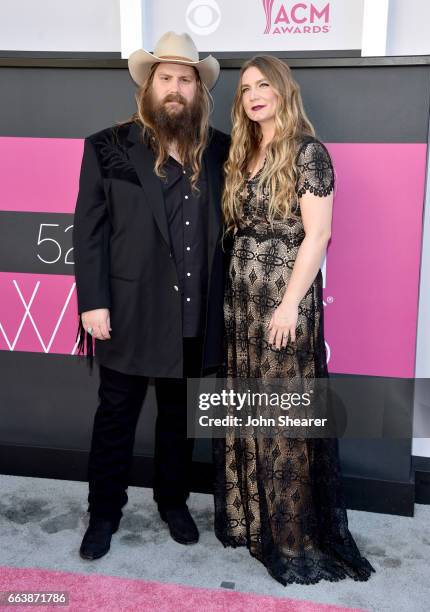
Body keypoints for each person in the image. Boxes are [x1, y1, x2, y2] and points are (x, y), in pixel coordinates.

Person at [213, 55, 375, 585]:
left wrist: (287, 305)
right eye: (245, 89)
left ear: (284, 91)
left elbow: (319, 234)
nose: (254, 94)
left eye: (265, 85)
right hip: (242, 304)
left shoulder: (309, 153)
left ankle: (291, 535)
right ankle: (254, 520)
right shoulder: (245, 153)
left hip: (285, 302)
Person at [73, 31, 229, 560]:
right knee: (115, 416)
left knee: (179, 419)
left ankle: (173, 501)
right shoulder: (107, 146)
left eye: (186, 79)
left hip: (194, 315)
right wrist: (92, 301)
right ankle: (104, 513)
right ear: (148, 86)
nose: (176, 87)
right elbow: (88, 232)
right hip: (127, 312)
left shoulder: (221, 151)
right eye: (166, 77)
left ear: (198, 91)